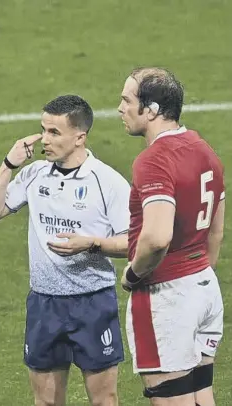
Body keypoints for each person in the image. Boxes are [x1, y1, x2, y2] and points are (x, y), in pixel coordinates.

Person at [0, 94, 131, 406]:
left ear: (80, 137)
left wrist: (92, 243)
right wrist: (9, 164)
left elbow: (134, 242)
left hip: (93, 303)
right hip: (44, 303)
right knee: (46, 401)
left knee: (104, 399)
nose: (44, 140)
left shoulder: (107, 182)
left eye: (54, 132)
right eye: (43, 130)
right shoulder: (34, 174)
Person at [118, 67, 225, 406]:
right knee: (200, 395)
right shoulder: (202, 147)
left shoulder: (154, 160)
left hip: (167, 296)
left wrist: (133, 273)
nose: (120, 108)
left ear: (150, 110)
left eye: (126, 100)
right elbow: (216, 230)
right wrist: (197, 269)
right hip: (205, 287)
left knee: (170, 400)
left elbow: (157, 237)